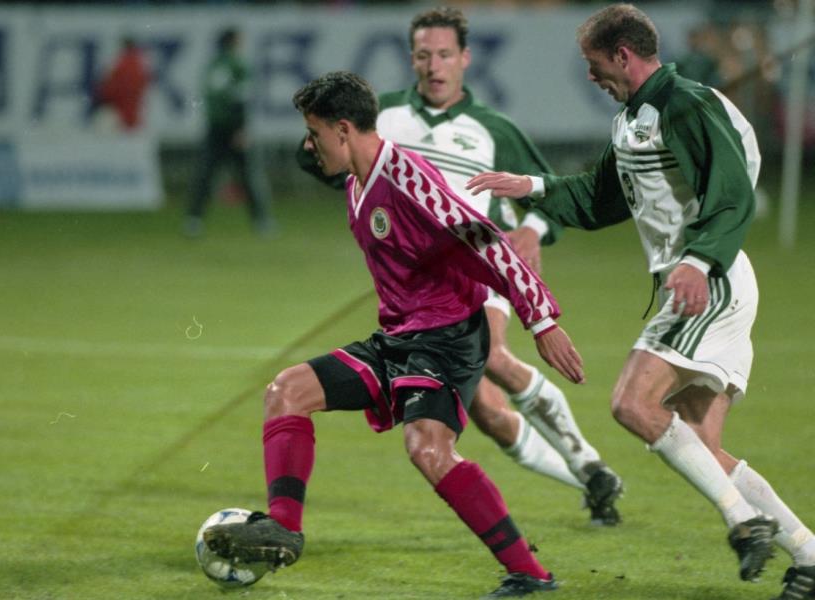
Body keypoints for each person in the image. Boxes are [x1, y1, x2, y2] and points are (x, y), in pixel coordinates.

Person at [466, 4, 815, 597]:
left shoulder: (685, 104)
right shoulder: (632, 120)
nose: (590, 76)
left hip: (709, 282)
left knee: (632, 402)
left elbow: (733, 191)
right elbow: (601, 198)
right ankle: (807, 554)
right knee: (700, 446)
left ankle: (743, 521)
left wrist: (699, 260)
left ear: (623, 55)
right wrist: (533, 186)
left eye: (595, 64)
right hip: (701, 280)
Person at [204, 70, 588, 598]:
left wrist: (541, 319)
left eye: (315, 134)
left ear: (343, 130)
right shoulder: (356, 183)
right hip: (399, 338)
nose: (309, 146)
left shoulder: (409, 179)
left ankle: (531, 574)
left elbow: (487, 241)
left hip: (449, 340)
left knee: (428, 449)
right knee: (286, 391)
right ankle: (284, 531)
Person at [297, 6, 623, 526]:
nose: (434, 66)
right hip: (419, 290)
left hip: (479, 268)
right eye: (423, 55)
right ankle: (593, 480)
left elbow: (552, 201)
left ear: (466, 58)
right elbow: (330, 161)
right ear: (411, 59)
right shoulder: (382, 118)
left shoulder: (494, 129)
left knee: (494, 354)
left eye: (445, 54)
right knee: (489, 413)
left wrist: (532, 231)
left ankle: (588, 462)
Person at [184, 27, 275, 238]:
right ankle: (261, 221)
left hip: (214, 127)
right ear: (234, 42)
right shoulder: (238, 65)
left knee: (205, 175)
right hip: (234, 127)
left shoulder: (212, 65)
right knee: (249, 175)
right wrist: (241, 128)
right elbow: (241, 98)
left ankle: (194, 219)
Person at [91, 36, 153, 131]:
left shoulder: (122, 63)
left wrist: (102, 94)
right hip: (133, 112)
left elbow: (112, 88)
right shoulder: (140, 63)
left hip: (120, 112)